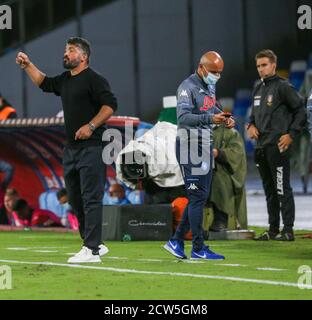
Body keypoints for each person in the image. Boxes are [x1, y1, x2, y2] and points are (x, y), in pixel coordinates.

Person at [16, 37, 117, 263]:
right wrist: (28, 65)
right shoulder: (65, 80)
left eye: (70, 50)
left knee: (91, 198)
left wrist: (91, 126)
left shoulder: (95, 80)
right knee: (74, 198)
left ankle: (90, 250)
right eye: (65, 50)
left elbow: (110, 105)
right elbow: (44, 83)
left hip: (92, 146)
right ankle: (95, 244)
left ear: (84, 56)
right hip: (71, 149)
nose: (66, 54)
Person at [163, 51, 235, 260]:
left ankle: (176, 242)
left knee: (200, 197)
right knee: (196, 197)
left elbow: (212, 107)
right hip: (190, 145)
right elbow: (183, 118)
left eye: (220, 73)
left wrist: (225, 117)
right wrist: (211, 118)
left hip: (203, 144)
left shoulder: (209, 85)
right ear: (201, 67)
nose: (217, 76)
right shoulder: (187, 87)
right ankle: (197, 247)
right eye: (213, 72)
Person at [247, 49, 306, 241]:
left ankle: (288, 230)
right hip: (261, 147)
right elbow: (253, 116)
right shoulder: (257, 88)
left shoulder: (284, 87)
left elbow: (301, 111)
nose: (261, 69)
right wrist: (250, 125)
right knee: (269, 191)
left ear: (273, 65)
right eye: (258, 66)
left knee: (282, 188)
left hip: (277, 146)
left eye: (264, 65)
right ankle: (273, 230)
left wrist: (291, 134)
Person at [208, 124, 248, 232]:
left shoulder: (230, 133)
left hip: (222, 171)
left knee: (219, 180)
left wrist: (219, 153)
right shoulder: (197, 130)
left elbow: (236, 154)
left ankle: (221, 219)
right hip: (199, 170)